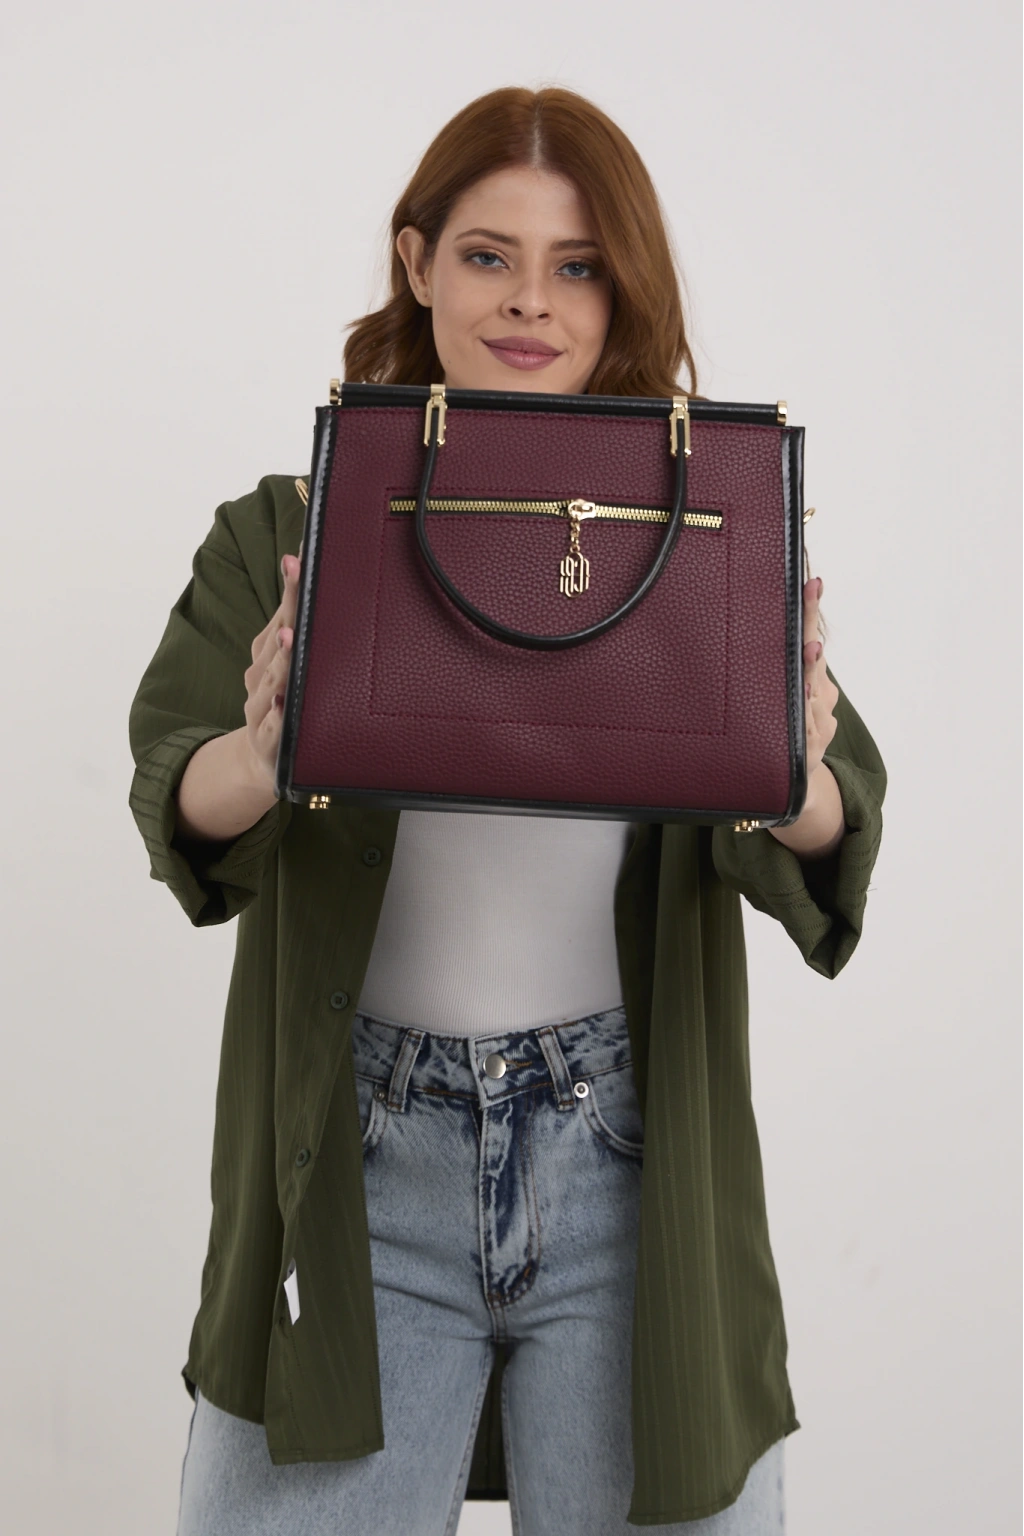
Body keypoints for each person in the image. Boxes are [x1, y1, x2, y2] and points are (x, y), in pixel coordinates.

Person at [129, 87, 885, 1535]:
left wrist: (792, 777)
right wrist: (263, 748)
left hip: (630, 1168)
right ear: (416, 263)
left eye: (579, 265)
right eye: (489, 255)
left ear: (624, 290)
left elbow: (837, 816)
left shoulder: (701, 523)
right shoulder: (290, 525)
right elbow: (177, 787)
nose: (532, 300)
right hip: (358, 1165)